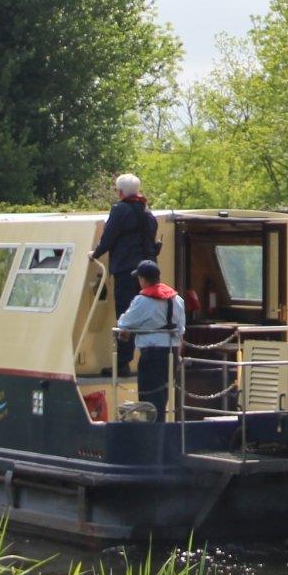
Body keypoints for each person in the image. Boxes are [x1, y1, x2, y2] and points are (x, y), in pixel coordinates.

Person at [91, 173, 158, 374]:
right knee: (147, 313)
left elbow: (109, 237)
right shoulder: (147, 212)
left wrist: (95, 253)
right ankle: (148, 360)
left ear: (120, 192)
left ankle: (122, 363)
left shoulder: (120, 210)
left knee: (125, 315)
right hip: (147, 269)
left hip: (126, 270)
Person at [113, 260, 185, 422]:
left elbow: (124, 322)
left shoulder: (143, 300)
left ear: (143, 280)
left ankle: (152, 433)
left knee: (149, 399)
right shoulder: (177, 300)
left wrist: (127, 331)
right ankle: (161, 430)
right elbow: (181, 330)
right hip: (172, 353)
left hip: (152, 354)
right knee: (164, 395)